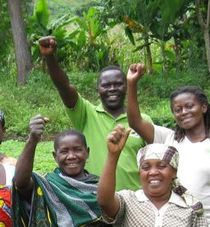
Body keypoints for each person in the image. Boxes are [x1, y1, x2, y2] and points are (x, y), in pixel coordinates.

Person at [124, 64, 210, 227]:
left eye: (190, 106)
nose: (184, 112)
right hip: (175, 226)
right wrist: (131, 84)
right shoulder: (168, 139)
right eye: (178, 109)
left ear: (203, 107)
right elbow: (135, 122)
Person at [37, 35, 149, 190]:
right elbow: (64, 87)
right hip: (95, 200)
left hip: (134, 202)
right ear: (98, 91)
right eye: (106, 85)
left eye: (118, 84)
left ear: (127, 87)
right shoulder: (87, 114)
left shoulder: (142, 121)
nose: (112, 89)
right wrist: (50, 58)